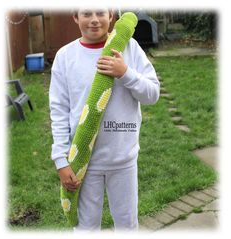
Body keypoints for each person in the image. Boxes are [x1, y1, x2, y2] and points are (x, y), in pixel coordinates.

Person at [49, 8, 160, 231]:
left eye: (100, 12)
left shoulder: (129, 48)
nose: (94, 20)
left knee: (127, 225)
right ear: (75, 17)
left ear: (111, 17)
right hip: (84, 164)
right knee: (85, 227)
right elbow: (59, 110)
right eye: (86, 14)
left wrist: (125, 73)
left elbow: (152, 95)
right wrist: (60, 159)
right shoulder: (65, 56)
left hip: (123, 159)